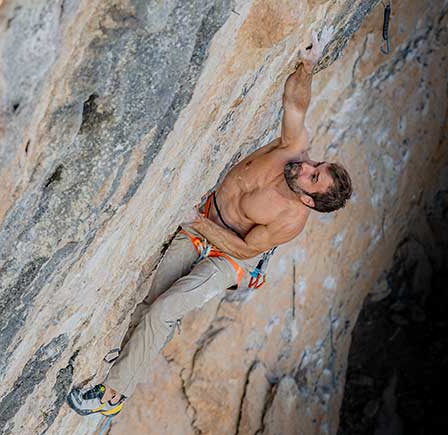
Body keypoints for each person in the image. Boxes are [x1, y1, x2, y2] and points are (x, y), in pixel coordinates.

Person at [67, 26, 352, 417]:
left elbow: (244, 247)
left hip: (232, 257)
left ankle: (111, 395)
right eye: (317, 165)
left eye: (313, 177)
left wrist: (194, 223)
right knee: (153, 302)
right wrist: (308, 64)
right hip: (207, 219)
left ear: (308, 198)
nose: (308, 166)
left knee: (163, 311)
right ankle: (133, 357)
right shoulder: (292, 151)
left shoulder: (290, 221)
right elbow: (296, 105)